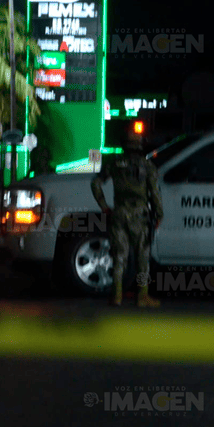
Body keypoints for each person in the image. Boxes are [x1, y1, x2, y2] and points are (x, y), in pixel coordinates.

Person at [91, 129, 164, 307]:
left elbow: (95, 183)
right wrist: (159, 214)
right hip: (140, 217)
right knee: (142, 259)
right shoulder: (148, 167)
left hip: (119, 214)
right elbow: (154, 193)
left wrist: (104, 206)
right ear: (140, 146)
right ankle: (142, 296)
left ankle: (116, 296)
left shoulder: (114, 164)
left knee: (119, 257)